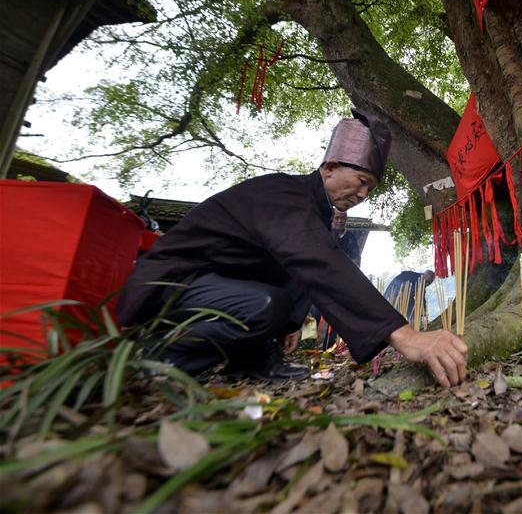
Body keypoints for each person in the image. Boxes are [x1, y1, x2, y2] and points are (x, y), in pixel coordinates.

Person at [116, 109, 468, 386]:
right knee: (267, 305)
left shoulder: (312, 213)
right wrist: (405, 335)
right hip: (171, 286)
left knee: (276, 306)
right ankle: (159, 356)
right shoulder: (283, 194)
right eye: (361, 181)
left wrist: (290, 322)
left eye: (370, 189)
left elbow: (295, 267)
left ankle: (247, 359)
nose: (362, 195)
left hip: (211, 288)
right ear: (330, 167)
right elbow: (318, 262)